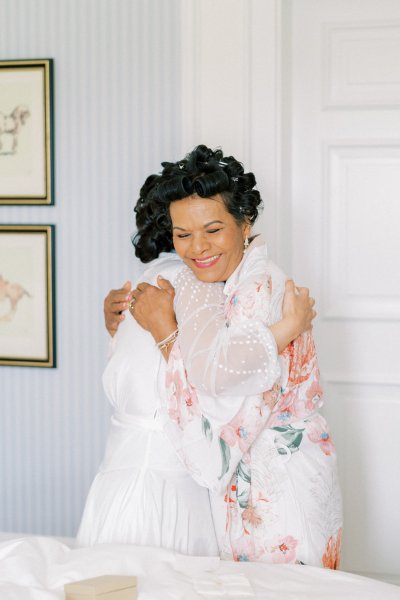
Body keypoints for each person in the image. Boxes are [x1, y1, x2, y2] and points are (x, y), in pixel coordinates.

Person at [102, 144, 342, 567]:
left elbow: (216, 388)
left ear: (245, 223)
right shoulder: (214, 284)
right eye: (182, 234)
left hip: (277, 490)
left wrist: (164, 332)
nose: (197, 248)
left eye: (213, 230)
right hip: (246, 489)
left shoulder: (260, 288)